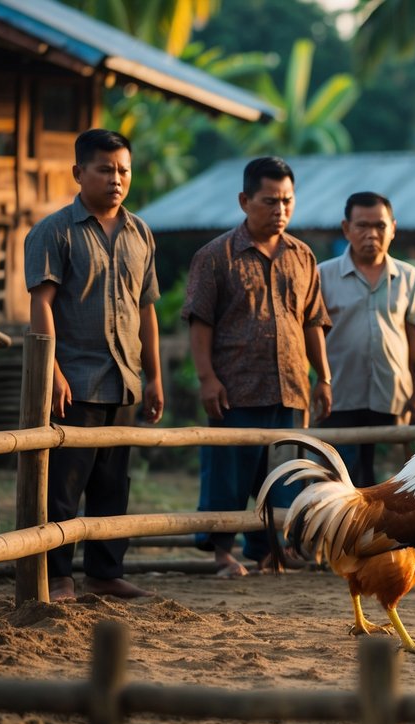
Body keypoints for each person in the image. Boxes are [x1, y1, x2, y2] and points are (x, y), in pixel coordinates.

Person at [23, 128, 162, 602]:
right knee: (62, 486)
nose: (115, 178)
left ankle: (105, 572)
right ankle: (58, 576)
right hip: (73, 379)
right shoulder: (53, 231)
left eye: (123, 169)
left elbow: (147, 309)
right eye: (104, 169)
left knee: (111, 486)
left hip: (124, 377)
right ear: (79, 172)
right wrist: (53, 372)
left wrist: (156, 375)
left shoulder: (140, 232)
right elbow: (41, 305)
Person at [182, 156, 332, 578]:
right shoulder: (215, 256)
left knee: (285, 476)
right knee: (228, 477)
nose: (280, 210)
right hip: (235, 389)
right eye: (270, 201)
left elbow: (313, 322)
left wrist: (324, 378)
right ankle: (222, 555)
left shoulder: (303, 256)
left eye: (287, 201)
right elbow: (199, 322)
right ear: (245, 200)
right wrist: (207, 379)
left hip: (290, 387)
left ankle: (269, 552)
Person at [318, 191, 415, 487]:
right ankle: (342, 535)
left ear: (393, 227)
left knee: (394, 484)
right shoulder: (322, 276)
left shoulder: (409, 277)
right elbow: (312, 338)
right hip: (339, 396)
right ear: (346, 229)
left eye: (379, 226)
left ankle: (382, 536)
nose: (371, 234)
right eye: (362, 226)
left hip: (393, 396)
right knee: (339, 481)